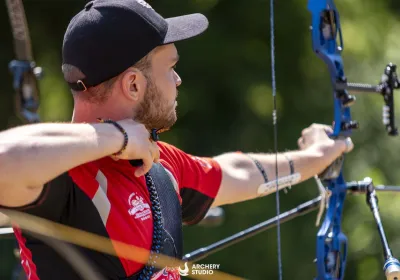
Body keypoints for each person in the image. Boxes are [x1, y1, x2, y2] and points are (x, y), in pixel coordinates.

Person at [0, 0, 353, 279]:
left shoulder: (156, 162)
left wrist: (317, 157)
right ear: (134, 84)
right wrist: (117, 136)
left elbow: (238, 172)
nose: (178, 80)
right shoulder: (63, 175)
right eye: (169, 67)